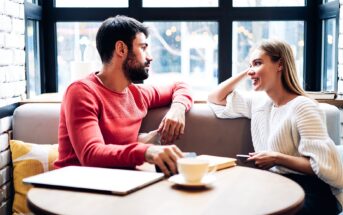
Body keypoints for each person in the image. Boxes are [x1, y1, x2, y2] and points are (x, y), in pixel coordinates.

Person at [208, 39, 343, 214]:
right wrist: (249, 71)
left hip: (309, 191)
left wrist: (277, 158)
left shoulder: (303, 107)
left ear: (280, 64)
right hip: (274, 186)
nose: (251, 71)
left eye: (258, 63)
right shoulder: (259, 102)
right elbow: (215, 97)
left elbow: (323, 167)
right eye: (251, 65)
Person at [54, 15, 193, 177]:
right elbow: (91, 155)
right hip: (72, 186)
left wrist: (177, 109)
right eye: (143, 47)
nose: (150, 57)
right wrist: (147, 151)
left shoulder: (138, 94)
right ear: (121, 49)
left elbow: (180, 86)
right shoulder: (81, 91)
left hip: (118, 183)